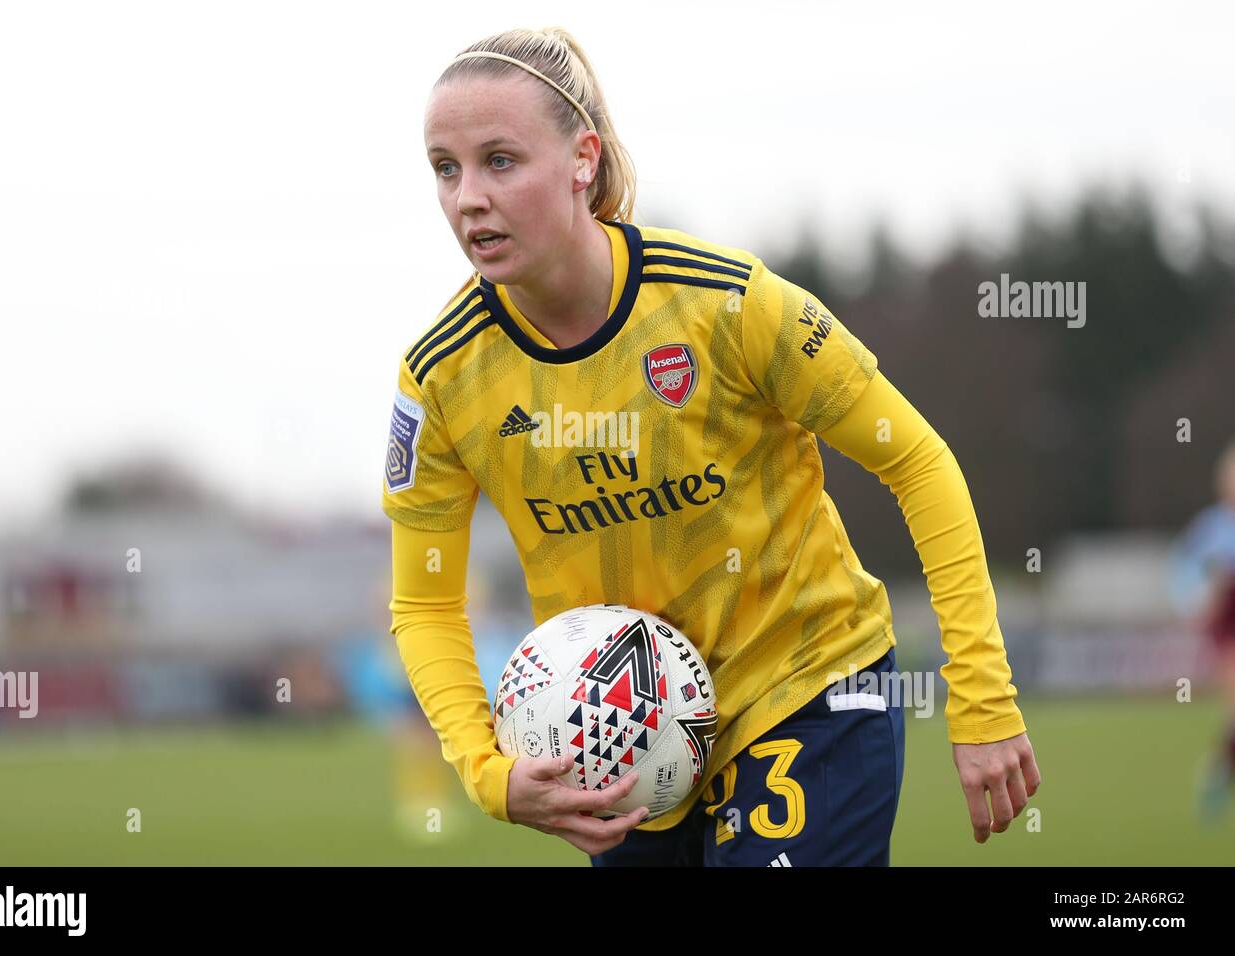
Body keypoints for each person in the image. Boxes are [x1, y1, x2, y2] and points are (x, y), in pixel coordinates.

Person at [382, 25, 1040, 865]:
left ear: (583, 159)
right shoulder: (440, 380)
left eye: (499, 161)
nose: (467, 196)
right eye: (447, 168)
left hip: (806, 684)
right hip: (622, 742)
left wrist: (982, 698)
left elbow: (917, 461)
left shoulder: (727, 305)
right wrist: (488, 773)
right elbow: (427, 603)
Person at [1170, 438, 1235, 823]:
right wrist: (1195, 605)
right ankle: (1218, 773)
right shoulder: (1212, 529)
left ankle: (1219, 768)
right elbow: (1184, 575)